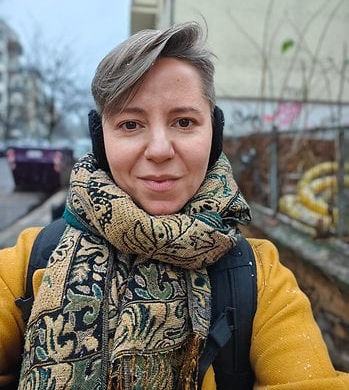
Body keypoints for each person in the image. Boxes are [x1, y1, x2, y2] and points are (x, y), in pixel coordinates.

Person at [0, 21, 348, 390]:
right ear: (100, 139)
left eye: (184, 121)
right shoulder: (28, 263)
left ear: (214, 133)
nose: (160, 150)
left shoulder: (260, 281)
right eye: (131, 124)